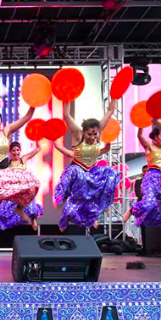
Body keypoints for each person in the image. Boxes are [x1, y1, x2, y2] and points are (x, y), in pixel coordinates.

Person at [52, 99, 120, 231]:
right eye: (89, 134)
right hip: (76, 171)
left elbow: (110, 111)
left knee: (110, 173)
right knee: (77, 176)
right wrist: (68, 97)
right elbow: (67, 115)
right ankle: (62, 198)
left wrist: (115, 96)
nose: (93, 137)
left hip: (90, 173)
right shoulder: (78, 134)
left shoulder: (97, 134)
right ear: (84, 132)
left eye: (95, 134)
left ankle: (102, 205)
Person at [0, 141, 44, 231]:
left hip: (24, 188)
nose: (16, 152)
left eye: (18, 150)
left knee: (31, 206)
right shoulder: (7, 164)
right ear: (10, 152)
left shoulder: (23, 159)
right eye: (13, 150)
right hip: (13, 190)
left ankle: (32, 218)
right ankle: (19, 210)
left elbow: (38, 149)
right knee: (2, 212)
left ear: (20, 150)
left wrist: (37, 138)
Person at [129, 126, 161, 226]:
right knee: (149, 203)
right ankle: (133, 209)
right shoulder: (150, 147)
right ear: (155, 137)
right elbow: (139, 135)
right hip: (152, 177)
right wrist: (141, 124)